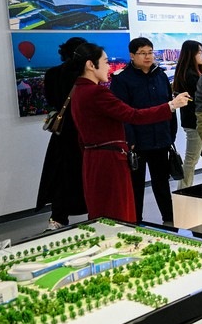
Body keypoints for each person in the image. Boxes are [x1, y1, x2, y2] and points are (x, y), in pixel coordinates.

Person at [69, 43, 190, 224]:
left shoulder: (78, 90)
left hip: (96, 157)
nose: (109, 66)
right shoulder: (98, 91)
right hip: (111, 158)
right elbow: (132, 115)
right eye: (106, 62)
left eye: (150, 52)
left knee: (104, 209)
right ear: (90, 65)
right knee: (118, 208)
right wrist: (171, 106)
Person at [110, 38, 177, 224]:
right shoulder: (122, 79)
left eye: (150, 52)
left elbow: (169, 106)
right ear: (132, 55)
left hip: (161, 139)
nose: (148, 57)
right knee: (136, 185)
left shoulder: (160, 75)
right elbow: (122, 113)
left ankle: (169, 220)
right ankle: (135, 221)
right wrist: (129, 139)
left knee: (162, 182)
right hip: (137, 143)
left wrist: (171, 133)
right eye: (142, 53)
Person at [36, 36, 88, 230]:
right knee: (87, 175)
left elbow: (51, 100)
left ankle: (57, 218)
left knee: (60, 177)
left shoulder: (52, 74)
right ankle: (95, 213)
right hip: (84, 131)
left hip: (62, 132)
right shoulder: (84, 76)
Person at [172, 40, 202, 188]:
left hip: (196, 122)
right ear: (191, 54)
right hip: (196, 123)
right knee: (192, 159)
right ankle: (183, 189)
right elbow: (200, 101)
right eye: (199, 52)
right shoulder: (191, 76)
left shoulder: (187, 73)